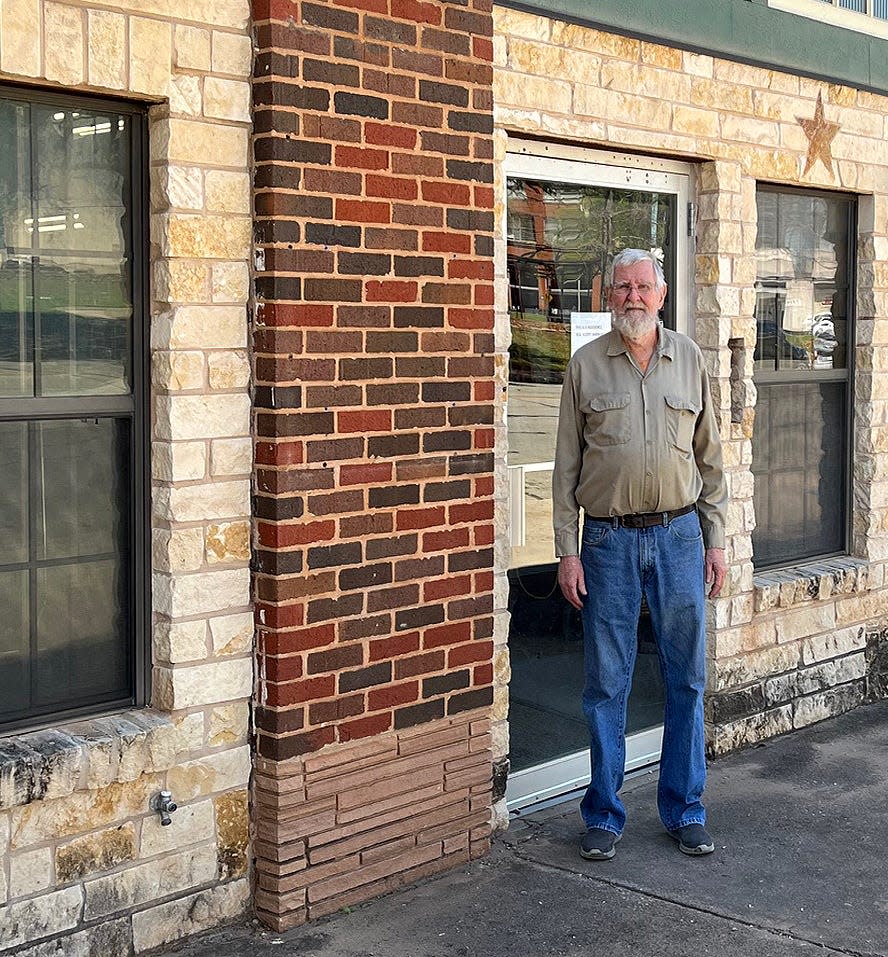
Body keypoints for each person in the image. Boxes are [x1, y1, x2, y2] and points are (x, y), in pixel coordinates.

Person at [553, 248, 727, 861]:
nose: (633, 296)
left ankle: (685, 808)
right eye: (622, 287)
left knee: (687, 677)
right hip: (607, 542)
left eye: (643, 287)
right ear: (608, 297)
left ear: (662, 294)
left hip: (681, 537)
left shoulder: (691, 361)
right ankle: (603, 813)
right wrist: (566, 552)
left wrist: (717, 540)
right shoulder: (585, 366)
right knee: (607, 683)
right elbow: (565, 469)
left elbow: (711, 461)